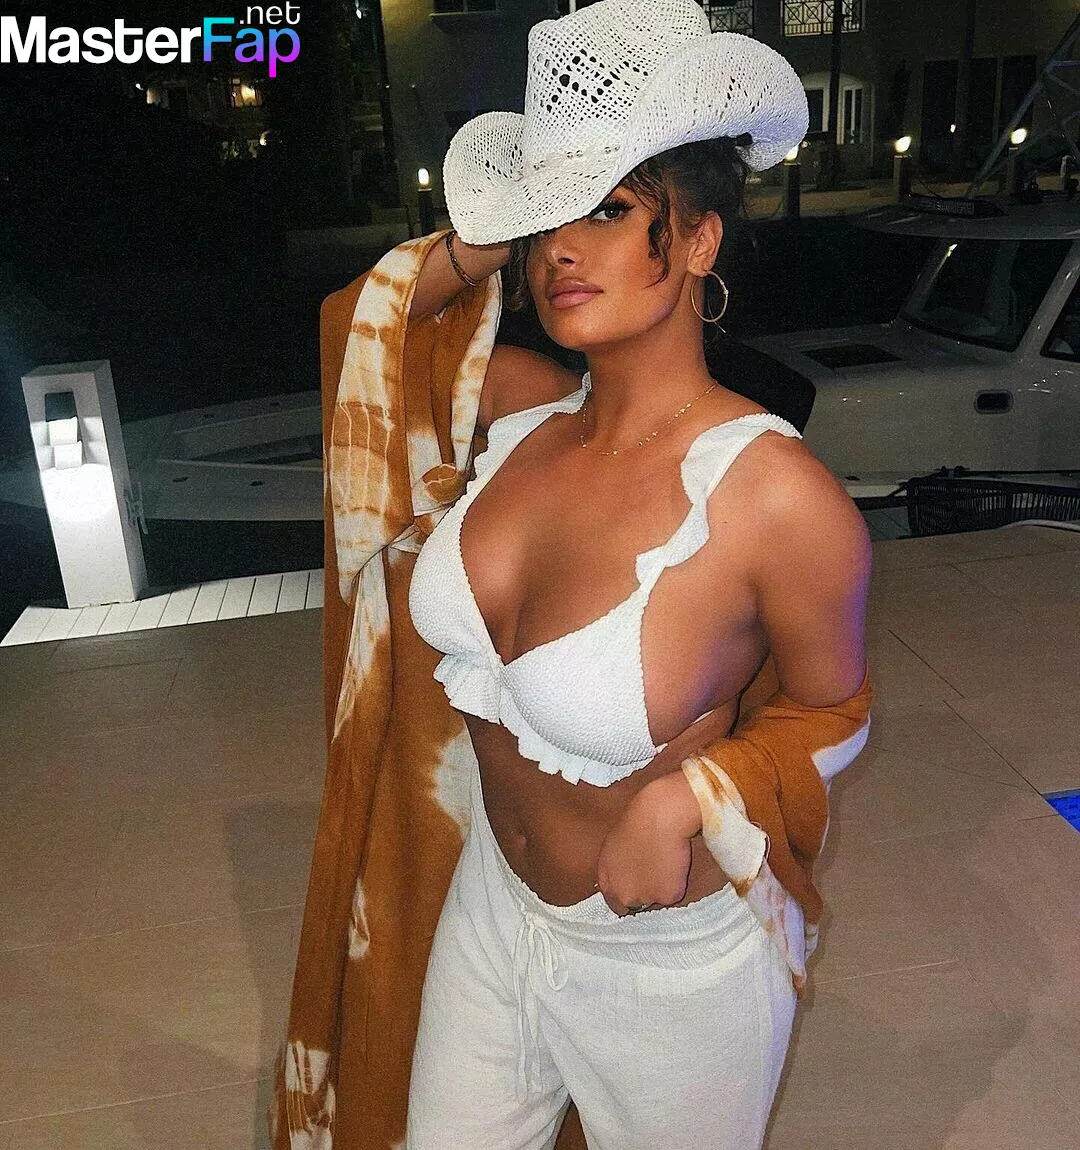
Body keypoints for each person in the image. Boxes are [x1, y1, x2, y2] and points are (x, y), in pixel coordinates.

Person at [401, 1, 872, 1147]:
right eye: (548, 217)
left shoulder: (770, 494)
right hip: (491, 912)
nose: (561, 249)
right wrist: (492, 230)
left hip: (669, 972)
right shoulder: (515, 413)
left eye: (608, 209)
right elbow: (369, 339)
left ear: (699, 240)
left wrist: (688, 796)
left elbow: (836, 709)